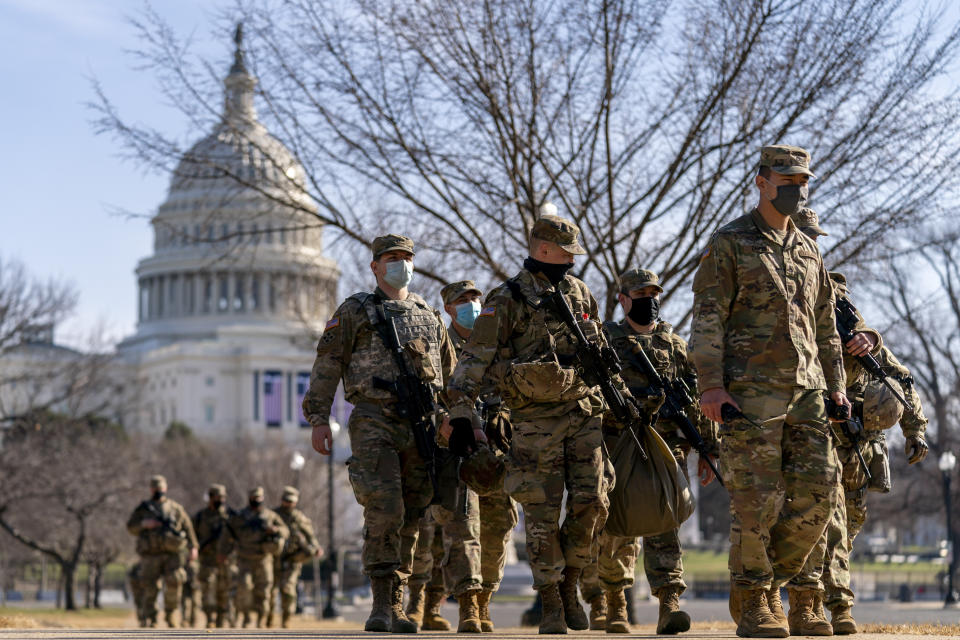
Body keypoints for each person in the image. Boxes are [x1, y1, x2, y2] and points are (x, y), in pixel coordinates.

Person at [690, 145, 849, 638]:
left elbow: (826, 325)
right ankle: (759, 600)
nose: (797, 189)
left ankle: (798, 598)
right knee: (755, 503)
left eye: (803, 180)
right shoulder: (730, 243)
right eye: (787, 179)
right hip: (749, 395)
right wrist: (711, 385)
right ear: (761, 182)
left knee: (820, 492)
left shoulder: (807, 247)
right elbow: (708, 319)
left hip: (808, 392)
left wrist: (837, 387)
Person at [446, 214, 623, 634]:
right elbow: (475, 356)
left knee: (594, 503)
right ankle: (551, 599)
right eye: (565, 253)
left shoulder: (580, 292)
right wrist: (459, 412)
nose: (571, 262)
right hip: (533, 420)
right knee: (541, 513)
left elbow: (596, 347)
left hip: (583, 413)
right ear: (542, 249)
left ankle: (571, 582)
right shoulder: (506, 299)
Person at [303, 234, 458, 633]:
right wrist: (319, 417)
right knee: (384, 507)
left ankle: (397, 603)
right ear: (375, 266)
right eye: (391, 258)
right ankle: (380, 602)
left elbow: (452, 377)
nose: (400, 264)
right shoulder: (355, 311)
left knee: (413, 513)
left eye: (406, 257)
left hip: (422, 425)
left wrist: (455, 418)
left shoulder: (428, 314)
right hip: (375, 419)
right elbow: (327, 365)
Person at [581, 268, 718, 635]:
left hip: (667, 447)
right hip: (619, 446)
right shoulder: (606, 340)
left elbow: (694, 399)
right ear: (624, 299)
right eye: (640, 295)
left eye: (654, 293)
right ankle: (614, 599)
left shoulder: (673, 344)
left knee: (666, 521)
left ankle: (669, 602)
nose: (649, 301)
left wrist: (708, 448)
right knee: (616, 527)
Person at [126, 475, 198, 628]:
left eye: (160, 488)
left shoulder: (175, 508)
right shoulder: (143, 508)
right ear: (151, 489)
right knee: (149, 586)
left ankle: (171, 616)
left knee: (175, 582)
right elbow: (131, 527)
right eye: (155, 488)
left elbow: (188, 528)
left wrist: (193, 548)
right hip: (150, 555)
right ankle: (150, 619)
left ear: (165, 488)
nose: (158, 490)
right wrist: (144, 524)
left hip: (173, 554)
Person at [219, 487, 289, 628]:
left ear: (262, 498)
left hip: (263, 559)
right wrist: (223, 552)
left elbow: (285, 531)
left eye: (259, 498)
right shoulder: (240, 517)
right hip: (244, 559)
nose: (257, 500)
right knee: (244, 588)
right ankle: (246, 617)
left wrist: (275, 530)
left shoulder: (270, 516)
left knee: (264, 591)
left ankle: (261, 620)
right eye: (254, 498)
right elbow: (227, 534)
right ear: (250, 498)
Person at [269, 486, 323, 628]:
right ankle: (268, 619)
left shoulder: (298, 517)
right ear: (282, 500)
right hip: (273, 559)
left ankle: (286, 620)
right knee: (270, 591)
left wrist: (316, 547)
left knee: (288, 589)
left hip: (292, 560)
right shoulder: (273, 515)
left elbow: (310, 535)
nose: (289, 504)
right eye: (286, 501)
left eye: (291, 501)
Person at [193, 483, 234, 628]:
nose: (221, 500)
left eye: (223, 497)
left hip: (226, 560)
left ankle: (221, 621)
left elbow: (238, 537)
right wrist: (195, 548)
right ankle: (210, 618)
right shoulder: (200, 517)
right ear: (210, 498)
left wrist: (228, 553)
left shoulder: (231, 516)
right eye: (218, 497)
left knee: (224, 591)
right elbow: (192, 535)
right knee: (207, 589)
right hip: (207, 560)